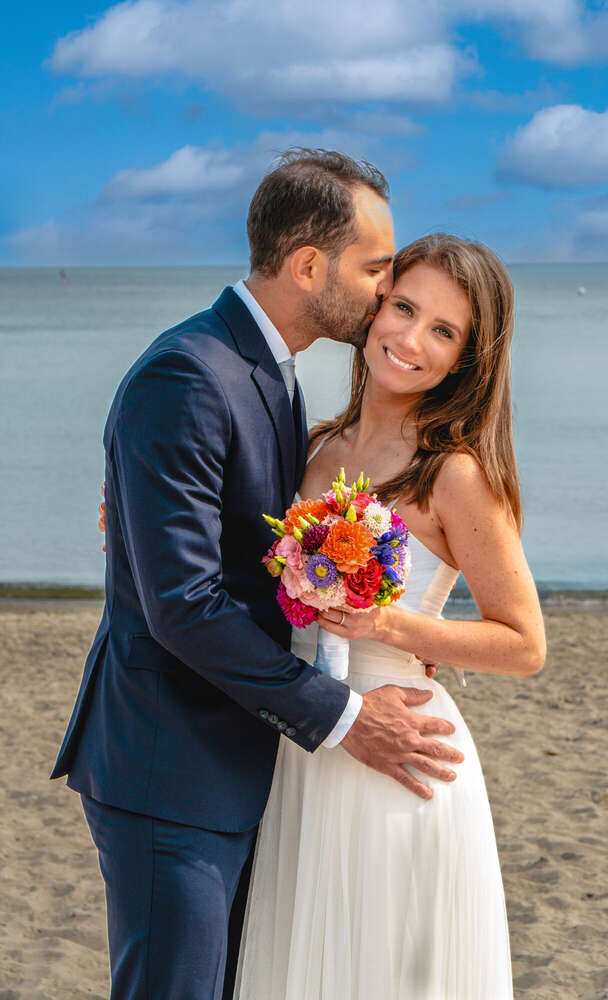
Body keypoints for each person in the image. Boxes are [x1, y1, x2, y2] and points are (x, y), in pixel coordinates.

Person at [51, 150, 463, 1000]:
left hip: (238, 760)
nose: (385, 291)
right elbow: (186, 606)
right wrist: (347, 717)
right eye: (375, 266)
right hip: (172, 766)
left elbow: (247, 548)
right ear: (309, 266)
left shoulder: (268, 374)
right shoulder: (189, 374)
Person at [233, 234, 546, 999]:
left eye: (442, 331)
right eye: (403, 308)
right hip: (306, 739)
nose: (409, 339)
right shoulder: (310, 444)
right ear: (374, 307)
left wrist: (391, 627)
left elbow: (522, 644)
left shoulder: (454, 473)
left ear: (466, 360)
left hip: (399, 748)